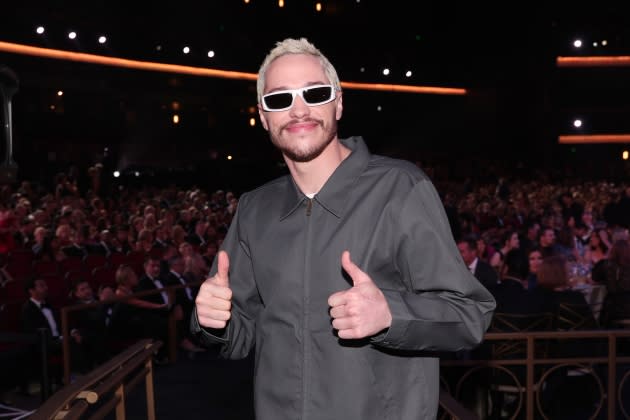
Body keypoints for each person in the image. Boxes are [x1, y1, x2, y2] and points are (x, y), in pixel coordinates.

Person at [191, 37, 495, 420]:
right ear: (264, 117)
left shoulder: (399, 188)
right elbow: (241, 333)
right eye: (280, 99)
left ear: (337, 102)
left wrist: (391, 315)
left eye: (314, 93)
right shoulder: (255, 208)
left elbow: (470, 314)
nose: (299, 109)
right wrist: (212, 320)